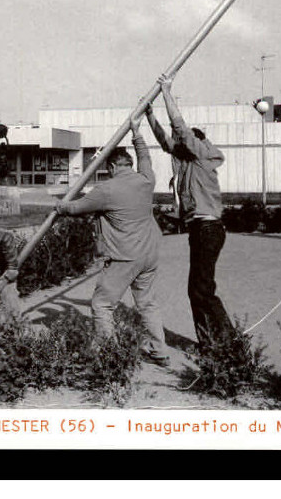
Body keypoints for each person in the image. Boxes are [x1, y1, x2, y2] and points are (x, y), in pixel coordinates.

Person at [54, 113, 169, 367]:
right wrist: (137, 133)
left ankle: (109, 355)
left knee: (102, 305)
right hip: (149, 254)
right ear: (128, 164)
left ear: (113, 167)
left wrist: (59, 207)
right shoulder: (146, 180)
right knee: (147, 304)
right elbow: (146, 158)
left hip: (124, 256)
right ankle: (160, 351)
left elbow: (75, 208)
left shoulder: (107, 190)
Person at [146, 73, 232, 349]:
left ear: (197, 143)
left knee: (202, 290)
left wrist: (167, 93)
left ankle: (228, 344)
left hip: (208, 229)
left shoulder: (203, 157)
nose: (179, 146)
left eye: (185, 143)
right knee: (197, 290)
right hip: (200, 230)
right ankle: (209, 343)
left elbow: (180, 129)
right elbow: (167, 142)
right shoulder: (188, 161)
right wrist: (149, 115)